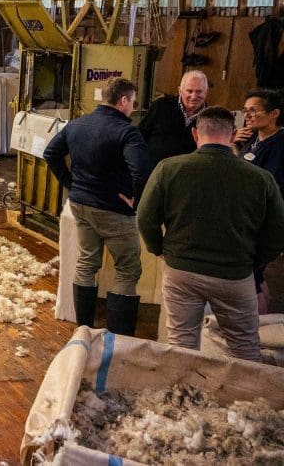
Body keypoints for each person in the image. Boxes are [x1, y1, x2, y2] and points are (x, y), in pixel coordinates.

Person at [137, 107, 284, 361]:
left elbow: (146, 218)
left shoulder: (169, 169)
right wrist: (253, 262)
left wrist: (158, 248)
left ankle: (181, 398)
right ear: (233, 135)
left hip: (181, 270)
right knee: (244, 349)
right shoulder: (261, 179)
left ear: (195, 134)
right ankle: (242, 399)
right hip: (235, 274)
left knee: (181, 344)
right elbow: (277, 233)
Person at [43, 77, 152, 336]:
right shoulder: (127, 131)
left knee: (86, 262)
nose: (133, 107)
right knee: (127, 268)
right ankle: (118, 338)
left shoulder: (77, 124)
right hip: (113, 209)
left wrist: (72, 184)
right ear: (123, 100)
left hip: (81, 204)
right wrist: (136, 198)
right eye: (133, 102)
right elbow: (142, 171)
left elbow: (50, 153)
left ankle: (84, 329)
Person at [233, 88, 284, 313]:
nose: (248, 116)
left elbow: (268, 180)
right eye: (245, 111)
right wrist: (235, 145)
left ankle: (258, 319)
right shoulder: (251, 139)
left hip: (263, 217)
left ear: (274, 113)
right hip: (244, 215)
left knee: (253, 271)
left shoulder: (280, 143)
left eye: (254, 110)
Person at [138, 70, 209, 164]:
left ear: (206, 92)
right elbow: (139, 136)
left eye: (199, 91)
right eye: (189, 91)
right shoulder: (161, 106)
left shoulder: (211, 117)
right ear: (180, 90)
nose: (194, 96)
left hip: (187, 174)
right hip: (152, 173)